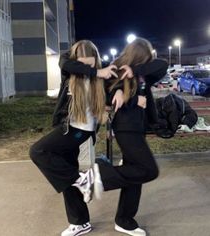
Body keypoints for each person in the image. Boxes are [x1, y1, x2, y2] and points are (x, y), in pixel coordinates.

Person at [29, 40, 118, 236]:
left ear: (96, 60)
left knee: (37, 151)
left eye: (90, 64)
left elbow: (116, 88)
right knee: (67, 176)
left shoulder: (101, 78)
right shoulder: (70, 73)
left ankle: (82, 180)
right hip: (68, 127)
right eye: (82, 63)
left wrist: (116, 90)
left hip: (80, 132)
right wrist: (94, 71)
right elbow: (65, 61)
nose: (86, 68)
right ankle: (80, 222)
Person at [87, 37, 168, 236]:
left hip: (137, 127)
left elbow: (162, 65)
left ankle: (124, 219)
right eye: (145, 58)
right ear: (138, 55)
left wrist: (136, 70)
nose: (148, 62)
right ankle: (99, 176)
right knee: (149, 170)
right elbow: (104, 96)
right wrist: (122, 94)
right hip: (125, 127)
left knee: (136, 174)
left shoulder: (142, 73)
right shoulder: (114, 69)